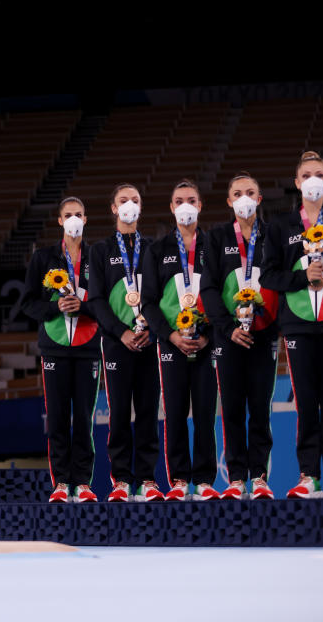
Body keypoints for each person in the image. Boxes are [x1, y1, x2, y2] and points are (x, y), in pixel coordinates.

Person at [260, 151, 323, 499]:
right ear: (297, 182)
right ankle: (307, 475)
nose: (313, 179)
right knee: (305, 399)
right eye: (307, 174)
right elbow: (270, 276)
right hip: (298, 324)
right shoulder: (280, 226)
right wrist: (303, 277)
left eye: (320, 173)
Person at [140, 180, 220, 501]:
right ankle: (179, 480)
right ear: (172, 208)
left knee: (204, 411)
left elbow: (223, 296)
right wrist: (171, 335)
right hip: (171, 344)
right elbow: (147, 302)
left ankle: (203, 479)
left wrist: (208, 335)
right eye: (179, 200)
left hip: (207, 342)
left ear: (200, 206)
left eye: (191, 199)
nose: (185, 205)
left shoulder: (214, 246)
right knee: (175, 412)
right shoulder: (157, 250)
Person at [201, 173, 278, 500]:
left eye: (250, 192)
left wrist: (271, 323)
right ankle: (236, 477)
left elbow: (281, 281)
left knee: (260, 407)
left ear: (259, 199)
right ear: (229, 201)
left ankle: (258, 476)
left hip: (264, 333)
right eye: (237, 193)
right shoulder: (217, 236)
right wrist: (228, 327)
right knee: (231, 407)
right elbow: (208, 287)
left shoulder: (273, 234)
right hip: (228, 337)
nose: (244, 198)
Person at [88, 185, 164, 503]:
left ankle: (147, 479)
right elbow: (95, 299)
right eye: (123, 200)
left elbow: (163, 298)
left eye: (135, 200)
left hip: (149, 339)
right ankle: (120, 479)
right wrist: (121, 332)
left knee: (147, 410)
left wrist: (154, 331)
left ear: (141, 208)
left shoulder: (154, 248)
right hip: (118, 343)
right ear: (113, 208)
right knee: (119, 411)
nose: (129, 205)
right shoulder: (101, 250)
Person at [22, 197, 100, 503]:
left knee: (83, 417)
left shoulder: (97, 256)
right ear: (59, 221)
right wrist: (55, 306)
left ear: (86, 218)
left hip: (88, 346)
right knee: (57, 417)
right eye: (68, 215)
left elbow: (105, 303)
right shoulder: (43, 258)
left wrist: (85, 306)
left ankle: (82, 482)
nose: (74, 219)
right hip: (54, 348)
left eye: (78, 214)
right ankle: (60, 483)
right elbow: (28, 303)